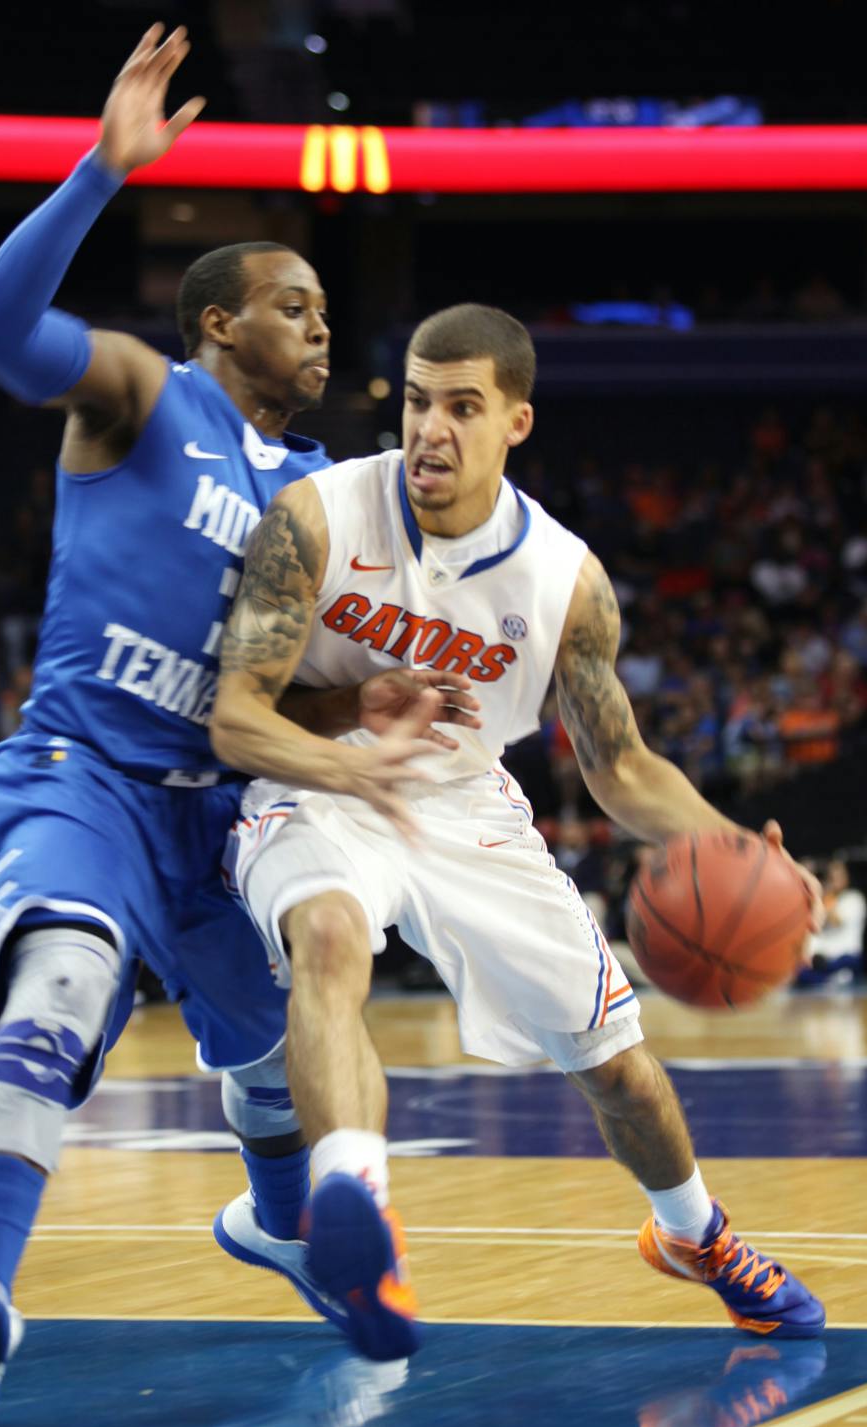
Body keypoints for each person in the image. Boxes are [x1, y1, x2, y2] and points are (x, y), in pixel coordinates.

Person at [0, 25, 463, 1426]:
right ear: (219, 322)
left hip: (223, 808)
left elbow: (308, 675)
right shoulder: (144, 398)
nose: (321, 323)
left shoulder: (330, 492)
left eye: (329, 305)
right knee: (61, 994)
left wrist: (381, 709)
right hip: (87, 773)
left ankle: (282, 1225)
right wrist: (102, 170)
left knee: (284, 1060)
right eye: (293, 302)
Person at [210, 303, 826, 1361]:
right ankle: (355, 1211)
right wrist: (353, 714)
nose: (428, 431)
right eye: (414, 402)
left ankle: (695, 1236)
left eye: (461, 407)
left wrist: (740, 848)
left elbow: (620, 765)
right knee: (326, 939)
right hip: (318, 788)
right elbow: (235, 715)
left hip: (465, 805)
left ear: (515, 423)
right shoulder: (314, 518)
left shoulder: (564, 580)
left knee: (618, 1066)